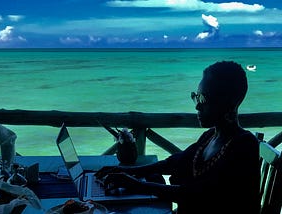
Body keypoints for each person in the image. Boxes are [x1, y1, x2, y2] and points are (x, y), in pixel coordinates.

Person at [95, 61, 260, 214]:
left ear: (227, 102)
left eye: (203, 98)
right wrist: (129, 171)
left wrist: (137, 185)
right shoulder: (210, 136)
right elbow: (174, 162)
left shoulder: (244, 146)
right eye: (196, 96)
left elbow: (196, 194)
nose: (197, 105)